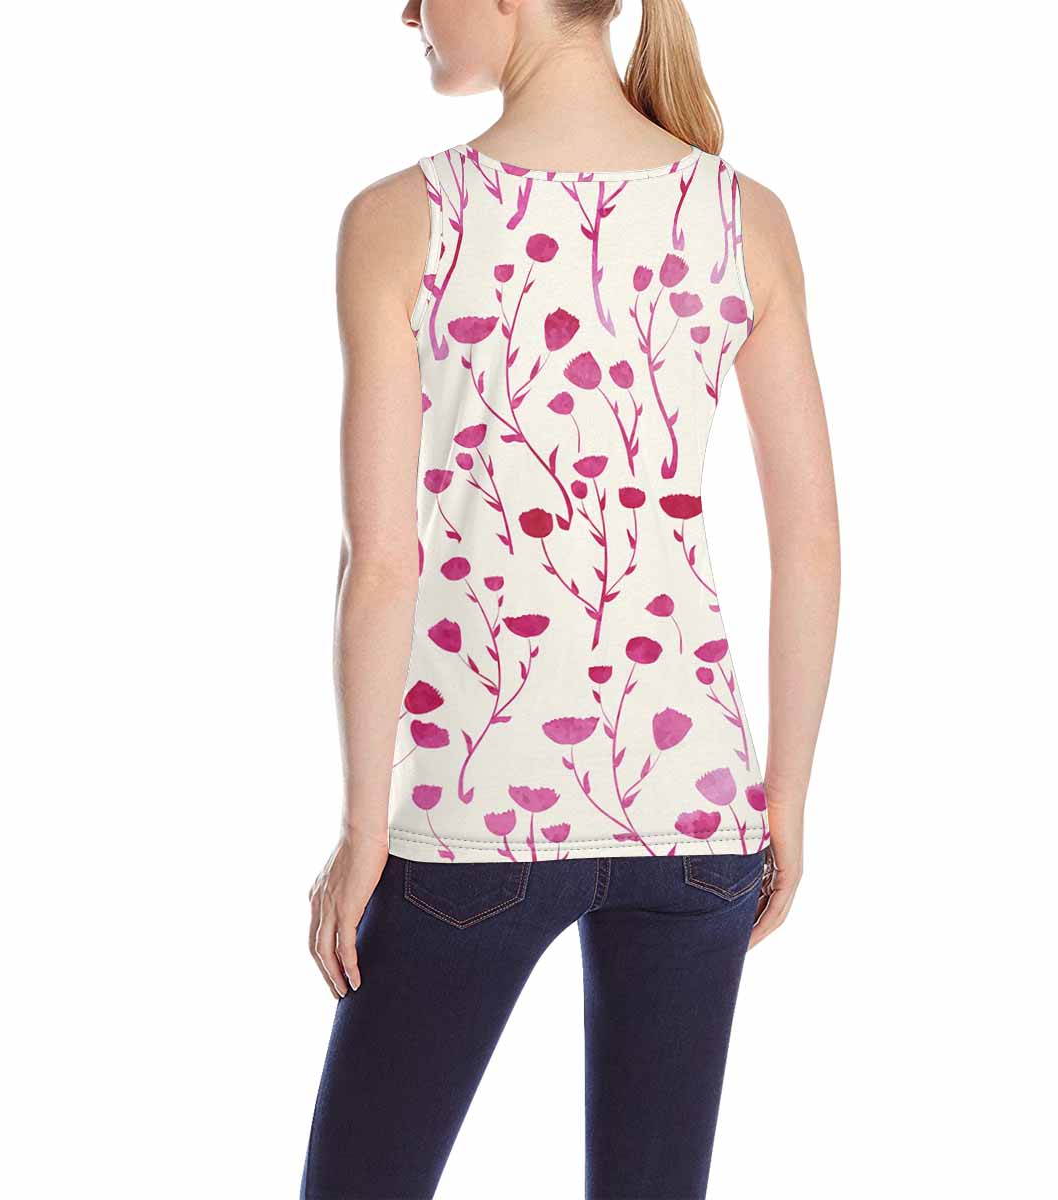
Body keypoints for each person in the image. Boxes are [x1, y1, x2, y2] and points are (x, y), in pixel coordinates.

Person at [300, 1, 839, 1195]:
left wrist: (362, 832)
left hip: (471, 812)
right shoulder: (740, 215)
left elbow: (381, 562)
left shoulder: (403, 219)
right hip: (697, 815)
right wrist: (785, 799)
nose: (407, 11)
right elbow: (809, 542)